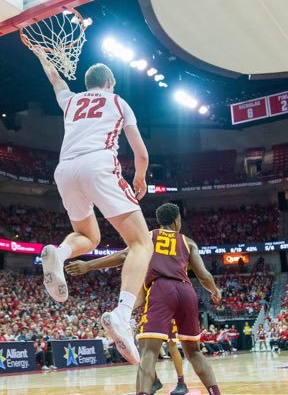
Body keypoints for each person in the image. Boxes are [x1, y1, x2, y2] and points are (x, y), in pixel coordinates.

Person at [34, 49, 154, 364]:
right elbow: (140, 154)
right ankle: (123, 313)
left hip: (65, 170)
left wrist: (41, 54)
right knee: (141, 243)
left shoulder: (72, 100)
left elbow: (54, 79)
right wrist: (139, 178)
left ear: (88, 83)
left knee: (88, 236)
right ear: (110, 82)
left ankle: (58, 253)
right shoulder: (118, 102)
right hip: (98, 164)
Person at [66, 203, 222, 395]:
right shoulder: (188, 242)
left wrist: (88, 265)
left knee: (148, 351)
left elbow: (125, 255)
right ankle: (216, 393)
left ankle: (145, 389)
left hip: (161, 289)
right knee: (195, 352)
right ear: (176, 221)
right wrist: (214, 290)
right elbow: (204, 275)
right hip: (187, 291)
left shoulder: (149, 236)